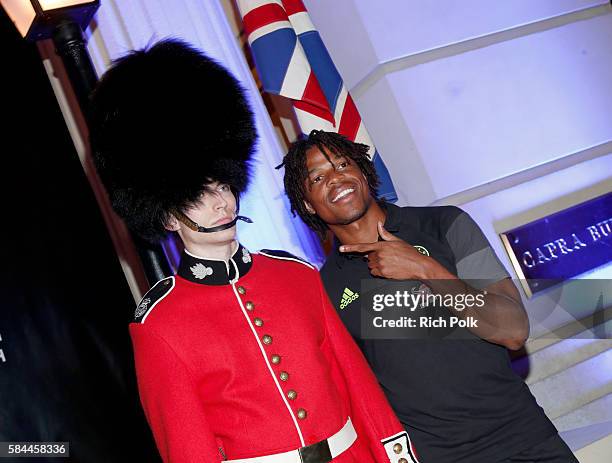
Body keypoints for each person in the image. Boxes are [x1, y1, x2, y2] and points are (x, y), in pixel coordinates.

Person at [89, 39, 419, 463]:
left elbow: (357, 383)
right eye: (199, 196)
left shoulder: (296, 276)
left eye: (223, 186)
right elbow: (189, 450)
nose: (222, 203)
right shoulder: (159, 325)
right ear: (168, 216)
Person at [278, 130, 579, 463]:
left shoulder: (443, 225)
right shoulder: (326, 288)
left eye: (343, 164)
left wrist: (426, 269)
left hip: (526, 441)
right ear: (307, 203)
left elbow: (513, 330)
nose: (336, 178)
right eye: (318, 177)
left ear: (363, 171)